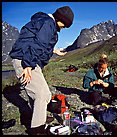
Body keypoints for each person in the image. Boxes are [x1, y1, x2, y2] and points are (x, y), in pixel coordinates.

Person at [9, 6, 74, 135]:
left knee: (44, 93)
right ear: (61, 19)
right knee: (41, 94)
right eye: (65, 25)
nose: (64, 28)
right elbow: (38, 44)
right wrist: (27, 65)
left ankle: (39, 117)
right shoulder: (48, 24)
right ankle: (37, 130)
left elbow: (38, 42)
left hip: (29, 60)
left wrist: (54, 51)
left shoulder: (44, 21)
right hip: (26, 60)